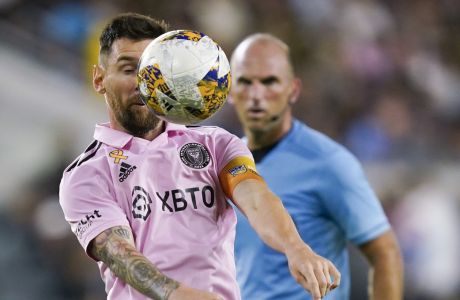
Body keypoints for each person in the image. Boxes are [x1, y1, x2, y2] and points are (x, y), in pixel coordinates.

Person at [59, 13, 341, 300]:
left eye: (152, 70)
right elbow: (119, 254)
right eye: (129, 70)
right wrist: (176, 295)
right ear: (99, 79)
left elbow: (255, 198)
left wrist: (295, 247)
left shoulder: (216, 145)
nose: (143, 84)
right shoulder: (86, 174)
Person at [229, 33, 404, 300]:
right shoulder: (226, 164)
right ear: (230, 90)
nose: (256, 95)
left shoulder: (328, 162)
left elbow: (384, 251)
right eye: (245, 82)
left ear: (294, 90)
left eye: (269, 81)